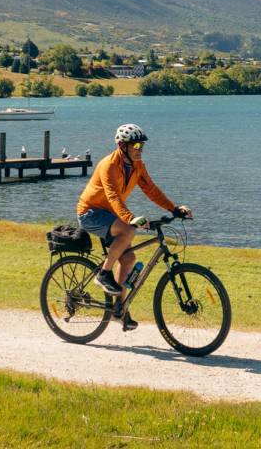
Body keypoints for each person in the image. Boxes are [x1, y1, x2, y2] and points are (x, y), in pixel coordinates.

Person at [75, 123, 191, 331]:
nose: (139, 149)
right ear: (122, 146)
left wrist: (174, 209)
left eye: (142, 145)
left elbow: (152, 190)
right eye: (135, 145)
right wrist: (130, 218)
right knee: (128, 230)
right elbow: (112, 197)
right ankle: (103, 274)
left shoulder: (138, 166)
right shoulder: (108, 165)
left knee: (129, 258)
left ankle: (119, 310)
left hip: (109, 214)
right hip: (90, 213)